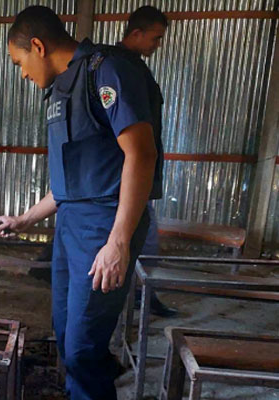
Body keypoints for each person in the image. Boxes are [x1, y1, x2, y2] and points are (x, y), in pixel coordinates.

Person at [0, 6, 161, 399]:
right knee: (68, 336)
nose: (22, 73)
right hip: (72, 224)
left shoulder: (108, 72)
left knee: (83, 347)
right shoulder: (62, 90)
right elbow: (70, 183)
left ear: (38, 46)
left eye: (20, 62)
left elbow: (141, 154)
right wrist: (23, 219)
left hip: (105, 224)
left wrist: (118, 242)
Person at [120, 5, 176, 317]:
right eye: (154, 39)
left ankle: (141, 297)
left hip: (141, 175)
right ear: (136, 33)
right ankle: (140, 298)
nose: (157, 45)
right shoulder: (121, 70)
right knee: (144, 242)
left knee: (143, 241)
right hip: (131, 176)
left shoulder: (134, 68)